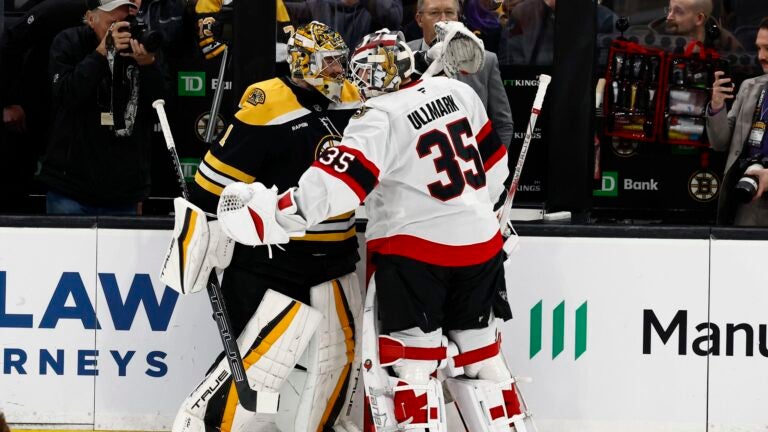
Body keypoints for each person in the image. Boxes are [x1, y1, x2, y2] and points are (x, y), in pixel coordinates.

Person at [215, 29, 533, 431]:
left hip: (418, 257)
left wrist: (271, 216)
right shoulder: (458, 92)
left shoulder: (377, 117)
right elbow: (495, 170)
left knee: (414, 364)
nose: (365, 83)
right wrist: (473, 215)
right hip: (482, 248)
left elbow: (334, 190)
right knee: (482, 354)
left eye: (371, 74)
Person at [164, 21, 363, 432]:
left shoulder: (350, 97)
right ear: (303, 62)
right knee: (257, 373)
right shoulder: (268, 102)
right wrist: (201, 248)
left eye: (340, 62)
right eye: (329, 64)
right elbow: (209, 188)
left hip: (337, 262)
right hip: (274, 264)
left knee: (334, 372)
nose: (338, 71)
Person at [37, 0, 168, 215]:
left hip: (124, 190)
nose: (120, 30)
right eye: (113, 23)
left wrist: (148, 66)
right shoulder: (69, 42)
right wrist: (101, 54)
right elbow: (66, 95)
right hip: (70, 187)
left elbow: (163, 107)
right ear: (90, 18)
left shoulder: (143, 48)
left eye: (125, 22)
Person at [408, 0, 515, 148]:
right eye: (434, 13)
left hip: (470, 164)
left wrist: (492, 167)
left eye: (450, 12)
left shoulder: (485, 60)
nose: (443, 19)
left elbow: (503, 124)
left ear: (458, 17)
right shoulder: (403, 57)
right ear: (419, 19)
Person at [707, 17, 768, 225]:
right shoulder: (750, 87)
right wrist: (717, 105)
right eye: (758, 48)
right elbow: (720, 142)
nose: (761, 56)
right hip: (750, 202)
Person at [284, 0, 404, 48]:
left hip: (369, 77)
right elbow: (287, 10)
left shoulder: (380, 5)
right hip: (329, 77)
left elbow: (394, 19)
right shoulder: (318, 4)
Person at [649, 0, 743, 52]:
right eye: (669, 10)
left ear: (699, 18)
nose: (669, 17)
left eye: (678, 12)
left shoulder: (725, 42)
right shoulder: (655, 38)